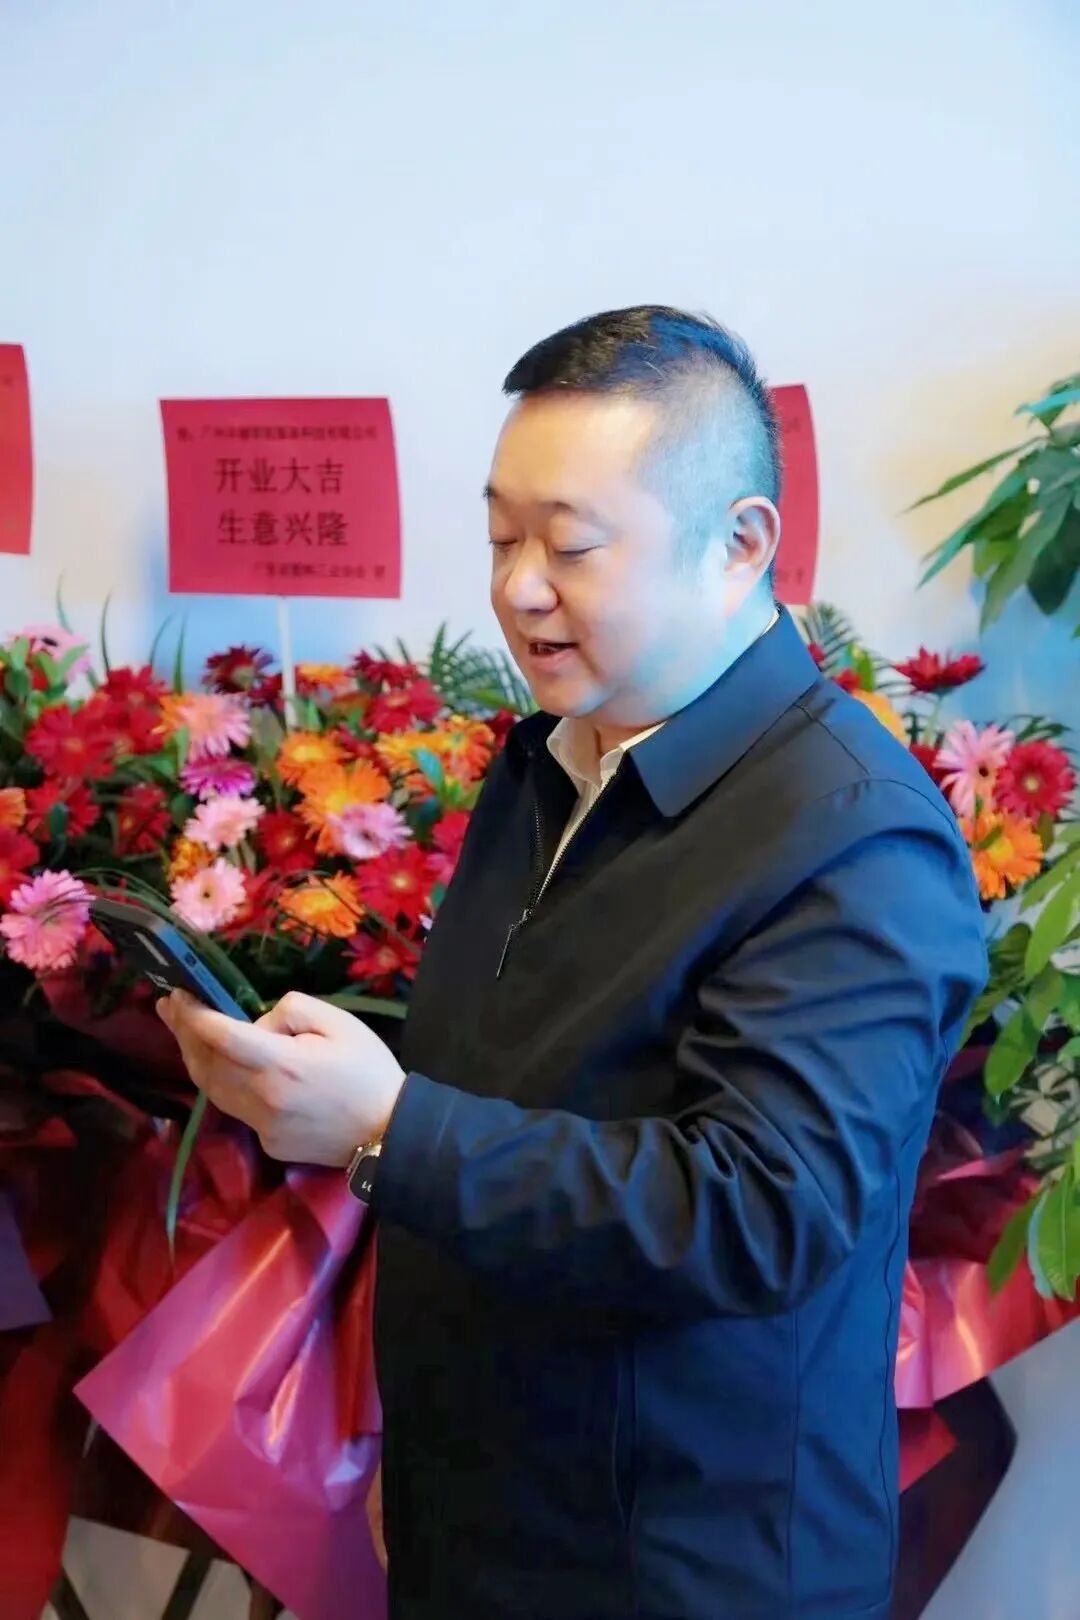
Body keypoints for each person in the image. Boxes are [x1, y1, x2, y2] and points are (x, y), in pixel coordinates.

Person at [158, 306, 987, 1620]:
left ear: (742, 544)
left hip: (678, 1565)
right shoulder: (554, 758)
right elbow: (513, 1094)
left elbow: (753, 1211)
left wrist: (389, 1127)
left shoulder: (853, 834)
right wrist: (430, 1452)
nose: (519, 588)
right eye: (502, 538)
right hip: (491, 1510)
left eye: (571, 544)